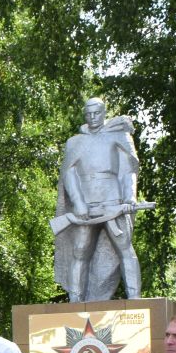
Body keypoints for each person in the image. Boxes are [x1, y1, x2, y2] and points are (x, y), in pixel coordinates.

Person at [52, 98, 147, 302]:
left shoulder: (118, 136)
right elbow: (69, 173)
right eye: (89, 113)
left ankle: (135, 297)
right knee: (80, 251)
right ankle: (75, 300)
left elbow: (128, 170)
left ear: (104, 113)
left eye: (97, 113)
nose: (93, 117)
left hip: (113, 201)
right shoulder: (75, 142)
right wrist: (78, 203)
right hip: (86, 204)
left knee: (125, 248)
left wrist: (129, 196)